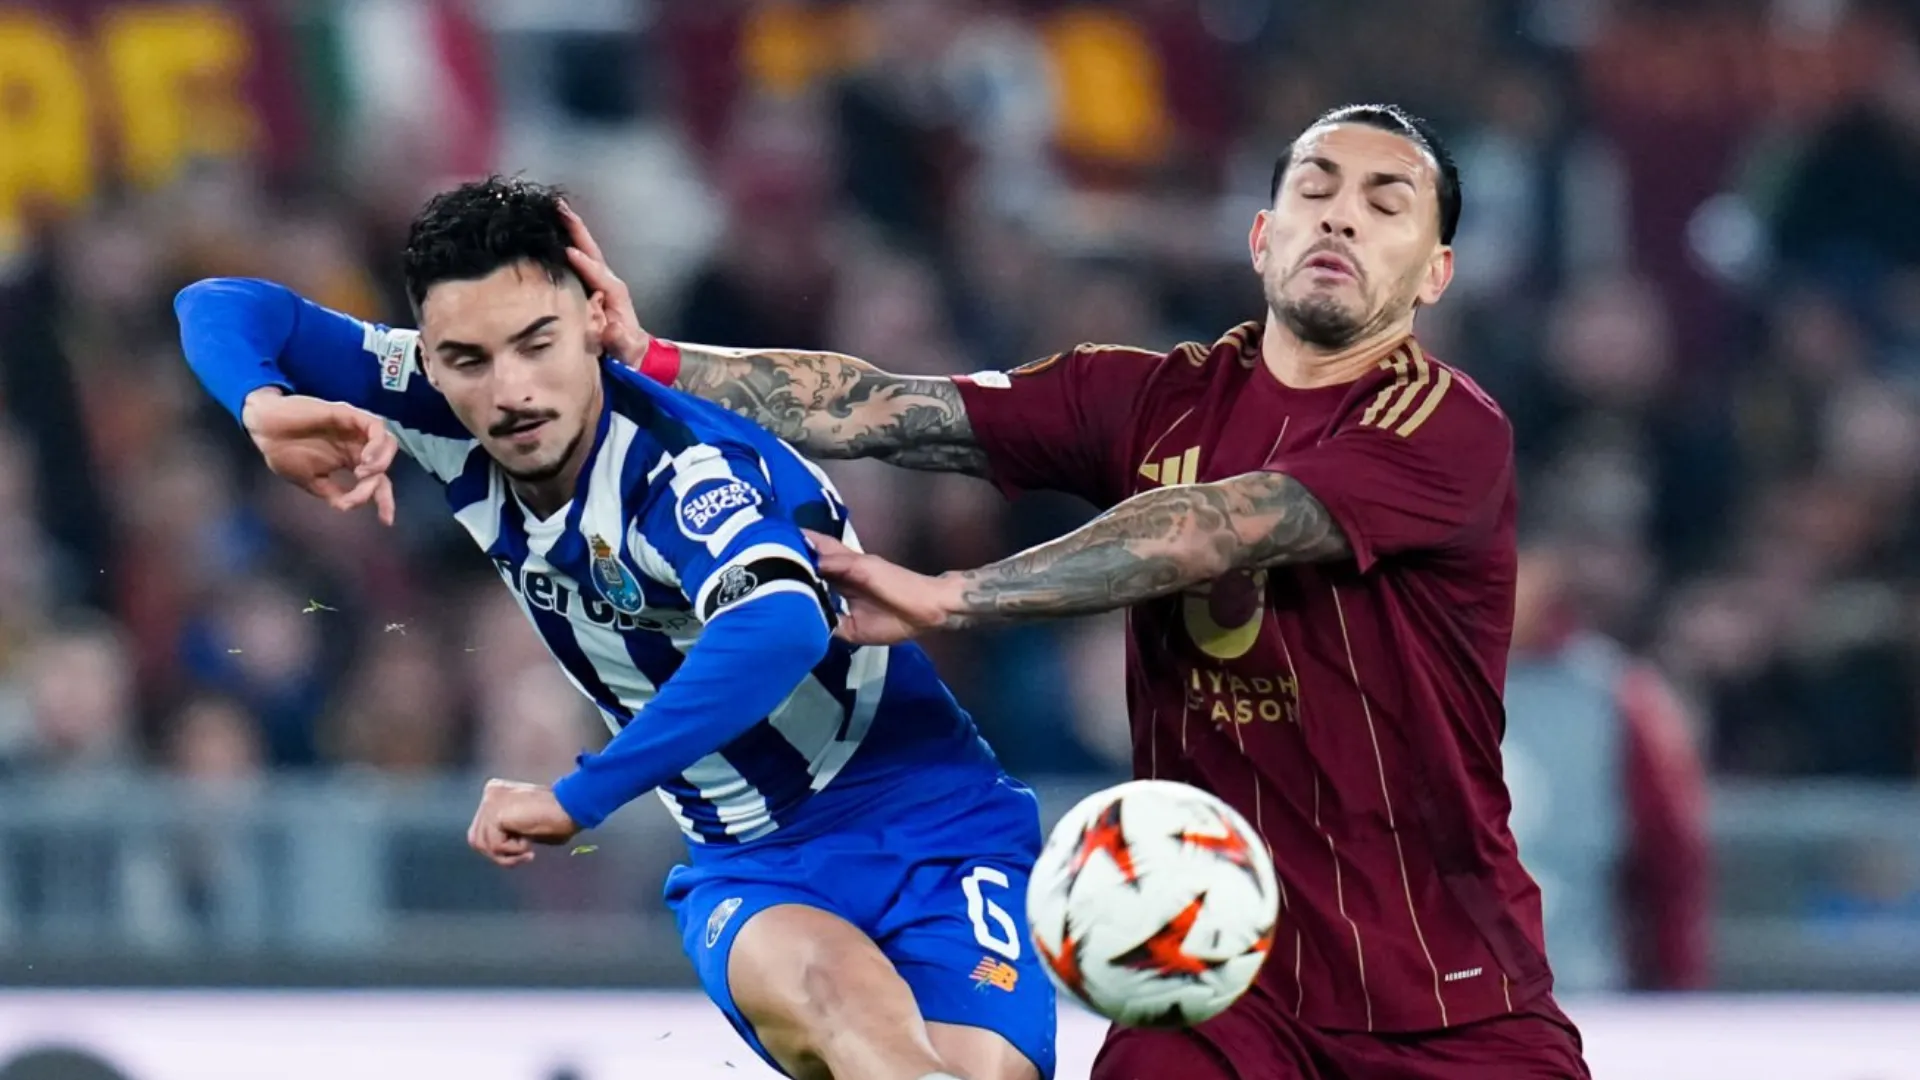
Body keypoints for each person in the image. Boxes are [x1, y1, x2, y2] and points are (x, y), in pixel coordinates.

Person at [584, 103, 1592, 1079]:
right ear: (1261, 235)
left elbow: (1211, 527)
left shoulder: (1449, 429)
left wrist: (958, 595)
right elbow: (886, 406)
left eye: (1386, 203)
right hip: (1214, 988)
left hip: (1447, 996)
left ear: (1436, 272)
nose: (1340, 215)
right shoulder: (1147, 400)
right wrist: (654, 359)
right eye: (1315, 189)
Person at [172, 178, 1053, 1080]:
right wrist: (260, 405)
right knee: (859, 1033)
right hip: (753, 863)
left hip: (935, 818)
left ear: (596, 319)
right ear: (429, 362)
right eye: (469, 359)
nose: (510, 390)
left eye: (536, 343)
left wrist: (577, 797)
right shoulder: (436, 407)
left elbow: (779, 624)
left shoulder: (683, 470)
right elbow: (223, 304)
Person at [1503, 536, 1710, 994]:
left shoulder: (1618, 697)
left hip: (1581, 988)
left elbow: (1671, 857)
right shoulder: (1396, 683)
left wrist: (1677, 988)